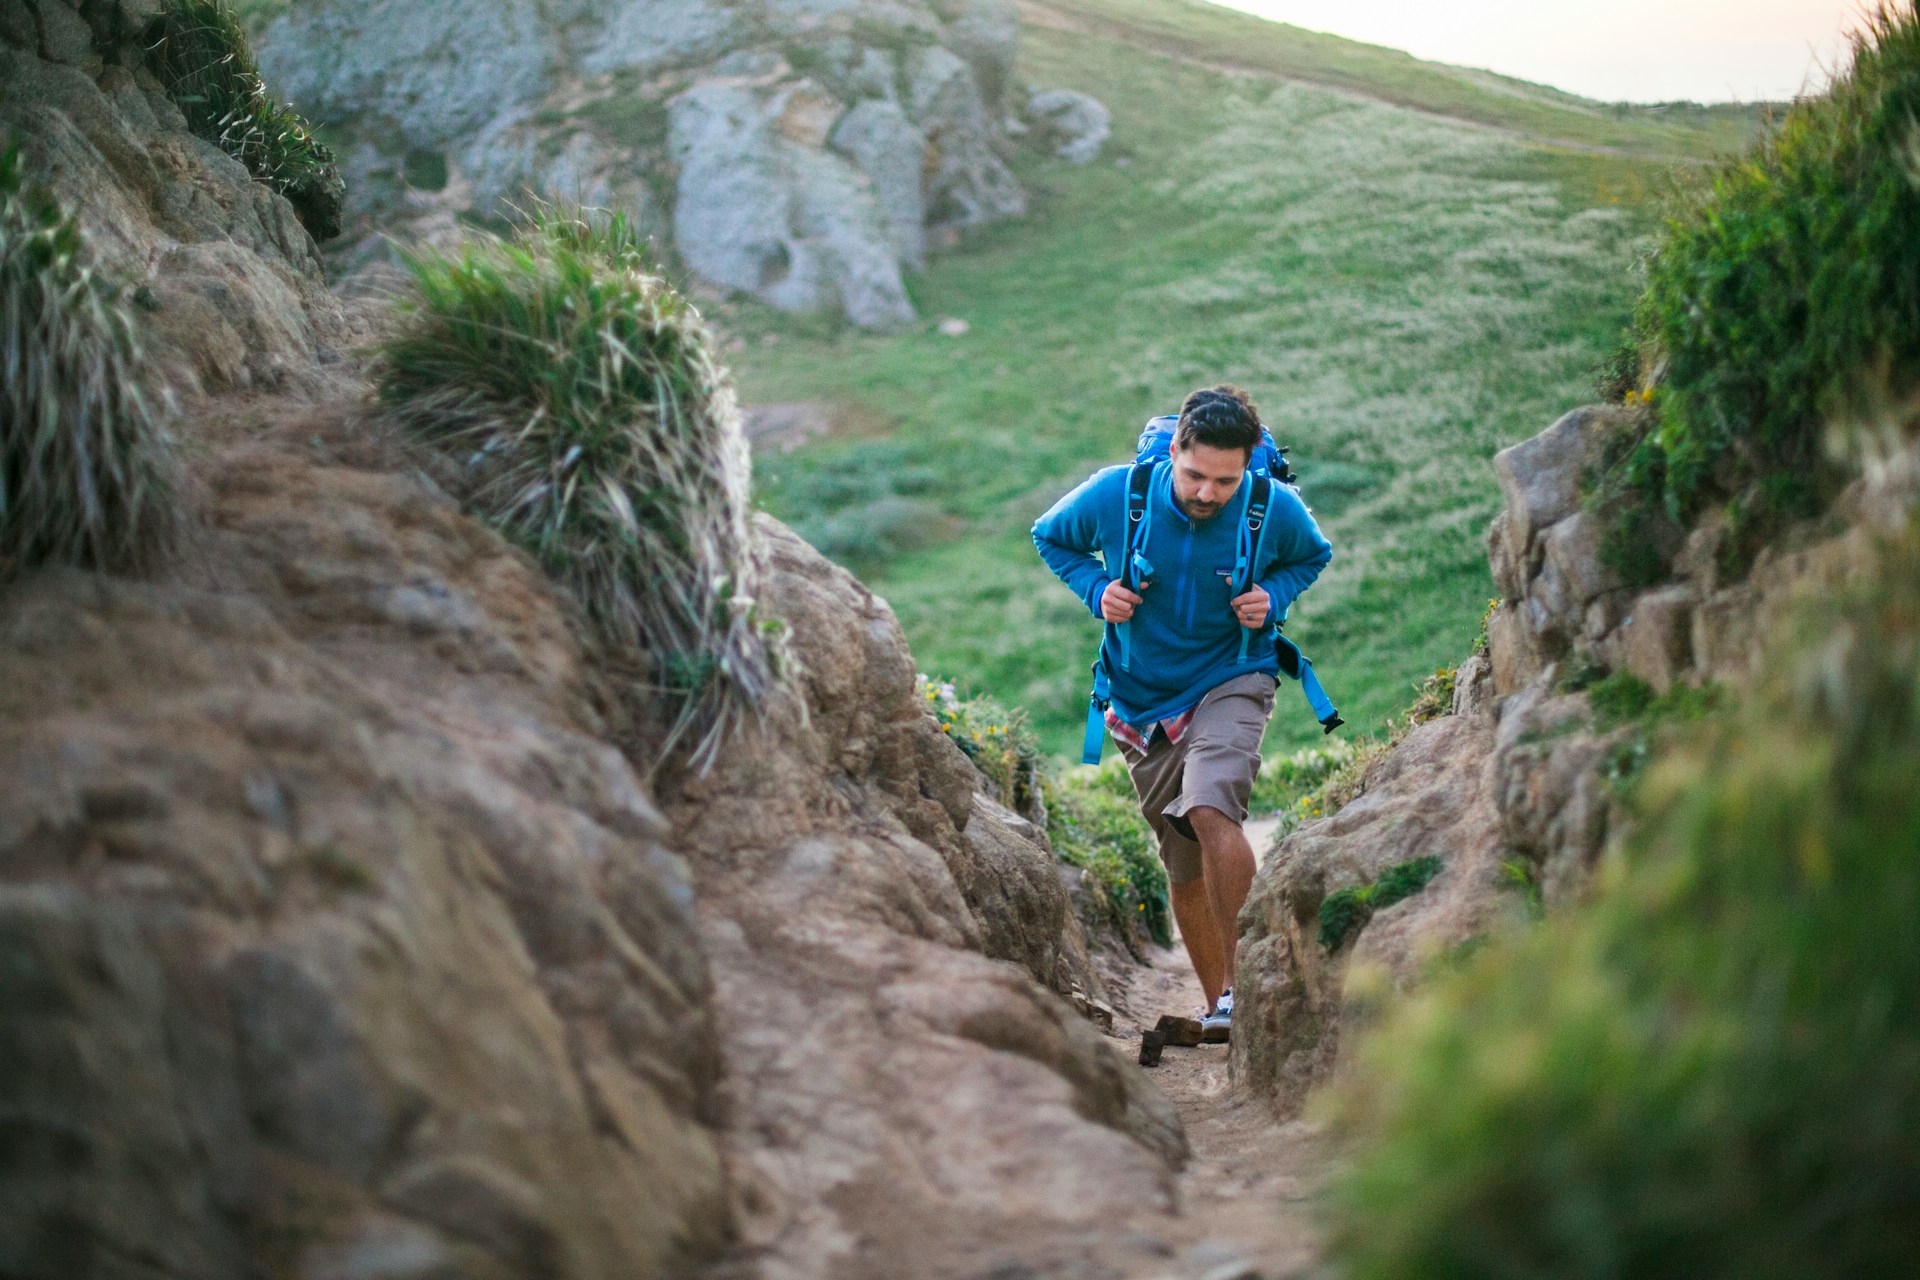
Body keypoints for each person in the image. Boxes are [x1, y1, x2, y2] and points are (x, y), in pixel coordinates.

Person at [1031, 386, 1332, 1041]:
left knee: (1210, 805)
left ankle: (1261, 982)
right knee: (1183, 864)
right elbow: (1050, 536)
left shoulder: (1267, 504)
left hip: (1234, 673)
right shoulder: (1119, 494)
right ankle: (1222, 998)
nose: (1207, 493)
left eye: (1225, 481)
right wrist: (1095, 588)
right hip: (1142, 699)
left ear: (1246, 468)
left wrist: (1272, 595)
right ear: (1173, 452)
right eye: (1195, 475)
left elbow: (1312, 554)